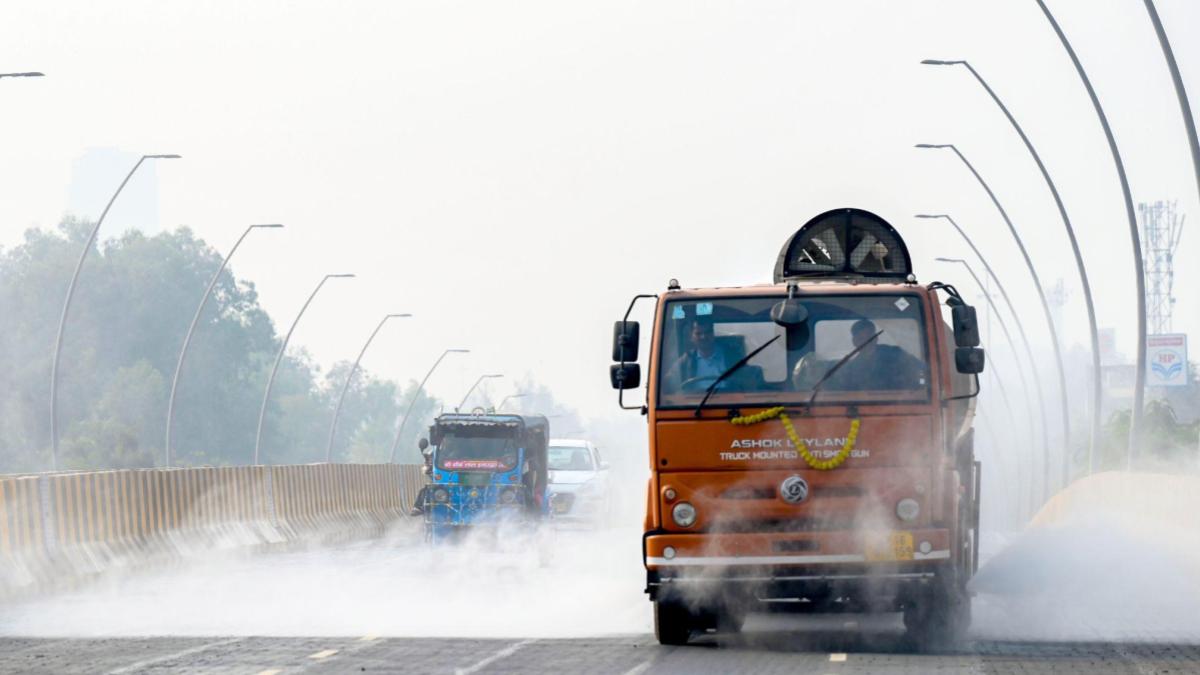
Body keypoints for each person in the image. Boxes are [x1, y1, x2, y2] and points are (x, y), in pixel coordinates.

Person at [834, 318, 926, 390]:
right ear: (854, 341)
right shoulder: (851, 368)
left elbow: (921, 370)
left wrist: (917, 387)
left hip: (900, 406)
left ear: (876, 338)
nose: (866, 342)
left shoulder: (895, 354)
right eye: (861, 338)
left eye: (869, 337)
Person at [665, 318, 740, 391]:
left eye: (707, 332)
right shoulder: (686, 359)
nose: (703, 337)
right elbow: (668, 381)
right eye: (698, 333)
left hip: (729, 400)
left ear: (713, 334)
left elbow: (746, 379)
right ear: (691, 337)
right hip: (696, 402)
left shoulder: (731, 356)